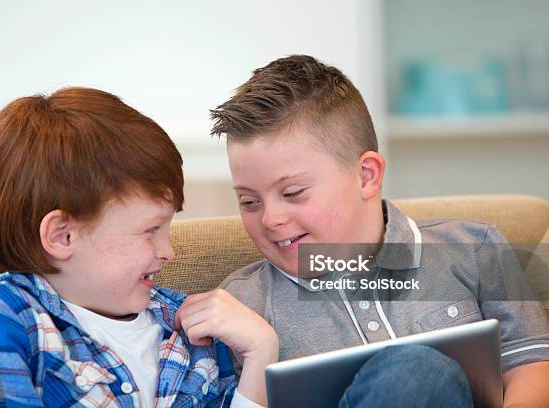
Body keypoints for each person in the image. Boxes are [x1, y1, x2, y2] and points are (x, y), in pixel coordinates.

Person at [208, 55, 549, 407]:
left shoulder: (474, 250)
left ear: (366, 176)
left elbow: (533, 368)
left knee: (413, 371)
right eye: (249, 202)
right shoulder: (241, 306)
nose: (270, 219)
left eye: (293, 193)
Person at [0, 87, 277, 407]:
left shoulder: (187, 325)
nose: (168, 251)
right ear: (62, 236)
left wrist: (261, 354)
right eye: (150, 230)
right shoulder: (2, 313)